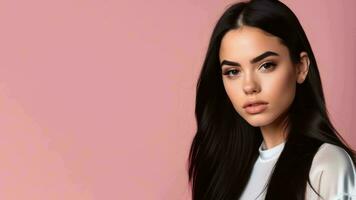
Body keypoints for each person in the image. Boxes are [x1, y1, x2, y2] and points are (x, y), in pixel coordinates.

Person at [187, 0, 356, 199]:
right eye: (233, 71)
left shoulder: (327, 164)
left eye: (266, 65)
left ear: (301, 67)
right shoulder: (226, 171)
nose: (249, 86)